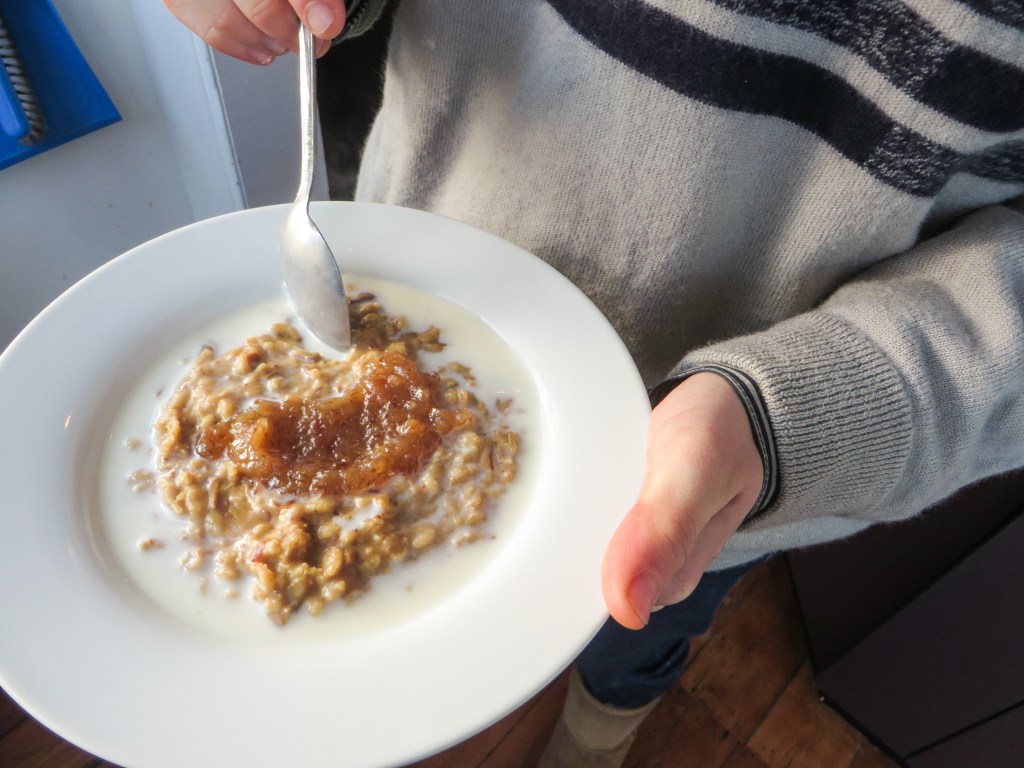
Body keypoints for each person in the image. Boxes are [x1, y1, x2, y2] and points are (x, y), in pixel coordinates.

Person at [165, 1, 1024, 765]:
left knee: (638, 635)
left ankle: (598, 735)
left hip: (728, 458)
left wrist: (792, 413)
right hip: (415, 296)